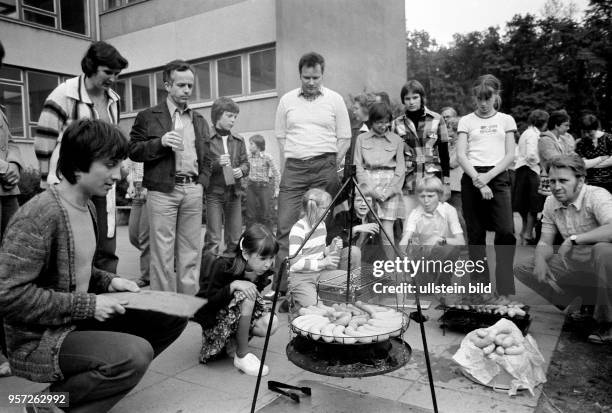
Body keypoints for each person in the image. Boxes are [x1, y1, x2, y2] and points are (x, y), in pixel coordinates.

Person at [0, 119, 187, 412]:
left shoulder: (87, 204)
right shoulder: (37, 217)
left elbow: (76, 267)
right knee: (133, 356)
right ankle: (47, 403)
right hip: (39, 339)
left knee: (171, 312)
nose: (118, 173)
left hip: (74, 318)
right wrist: (89, 305)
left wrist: (108, 281)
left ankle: (91, 383)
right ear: (78, 166)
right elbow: (9, 296)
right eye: (110, 164)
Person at [35, 41, 128, 274]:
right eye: (108, 72)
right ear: (91, 66)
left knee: (105, 243)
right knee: (74, 246)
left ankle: (107, 293)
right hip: (70, 183)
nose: (113, 79)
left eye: (116, 74)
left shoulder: (113, 100)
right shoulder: (63, 94)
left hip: (101, 183)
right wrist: (44, 180)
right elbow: (44, 141)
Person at [129, 59, 211, 295]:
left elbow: (208, 156)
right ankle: (166, 309)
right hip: (162, 191)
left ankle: (187, 305)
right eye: (181, 85)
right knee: (162, 254)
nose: (187, 90)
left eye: (190, 86)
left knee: (190, 252)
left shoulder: (199, 119)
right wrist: (160, 142)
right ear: (167, 85)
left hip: (192, 190)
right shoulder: (148, 116)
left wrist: (202, 183)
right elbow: (133, 150)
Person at [274, 52, 351, 295]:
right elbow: (280, 135)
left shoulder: (335, 99)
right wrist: (292, 157)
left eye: (315, 77)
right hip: (295, 168)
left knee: (319, 228)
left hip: (323, 168)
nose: (310, 82)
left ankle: (318, 285)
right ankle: (282, 288)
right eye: (306, 77)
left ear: (322, 74)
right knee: (285, 226)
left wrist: (331, 164)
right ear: (300, 75)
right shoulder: (287, 100)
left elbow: (345, 137)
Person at [514, 154, 612, 344]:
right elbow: (545, 242)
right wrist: (541, 261)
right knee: (524, 268)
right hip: (578, 261)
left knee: (602, 251)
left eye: (563, 180)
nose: (557, 186)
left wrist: (575, 239)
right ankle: (585, 305)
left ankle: (607, 323)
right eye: (552, 181)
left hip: (604, 262)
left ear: (580, 180)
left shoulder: (597, 195)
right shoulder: (551, 201)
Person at [456, 74, 517, 299]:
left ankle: (505, 289)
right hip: (472, 177)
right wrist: (478, 180)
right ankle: (479, 288)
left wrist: (487, 178)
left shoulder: (506, 120)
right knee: (476, 234)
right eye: (479, 99)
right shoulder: (466, 121)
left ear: (496, 96)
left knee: (506, 231)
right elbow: (461, 155)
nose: (483, 104)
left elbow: (510, 155)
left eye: (488, 98)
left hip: (498, 177)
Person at [194, 224, 279, 374]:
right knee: (246, 293)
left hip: (232, 319)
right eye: (263, 258)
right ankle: (242, 354)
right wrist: (233, 285)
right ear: (246, 253)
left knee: (271, 322)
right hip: (213, 324)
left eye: (271, 257)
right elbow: (206, 306)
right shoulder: (222, 265)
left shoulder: (261, 271)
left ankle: (235, 342)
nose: (268, 264)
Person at [393, 80, 450, 221]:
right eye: (407, 98)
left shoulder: (437, 119)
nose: (411, 102)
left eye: (415, 97)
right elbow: (395, 157)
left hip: (432, 181)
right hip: (408, 183)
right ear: (403, 101)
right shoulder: (397, 123)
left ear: (422, 98)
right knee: (409, 224)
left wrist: (446, 183)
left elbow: (444, 154)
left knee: (433, 225)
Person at [0, 40, 23, 377]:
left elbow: (13, 142)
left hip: (7, 196)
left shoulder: (0, 109)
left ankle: (12, 347)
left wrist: (15, 162)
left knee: (14, 270)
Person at [354, 102, 405, 253]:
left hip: (390, 185)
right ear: (371, 121)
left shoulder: (397, 140)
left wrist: (390, 191)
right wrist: (369, 190)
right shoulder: (361, 138)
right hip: (368, 184)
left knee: (386, 229)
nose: (383, 126)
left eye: (386, 122)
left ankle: (392, 269)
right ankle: (356, 265)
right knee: (365, 226)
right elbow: (358, 165)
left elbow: (401, 168)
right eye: (379, 122)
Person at [203, 97, 249, 255]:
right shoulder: (205, 139)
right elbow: (199, 166)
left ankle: (231, 272)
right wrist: (216, 163)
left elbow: (246, 164)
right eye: (229, 116)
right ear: (217, 115)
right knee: (213, 239)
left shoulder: (238, 139)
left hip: (234, 192)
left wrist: (241, 171)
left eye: (235, 116)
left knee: (236, 239)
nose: (233, 120)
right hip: (213, 193)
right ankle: (208, 276)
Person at [287, 188, 344, 309]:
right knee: (316, 309)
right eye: (325, 208)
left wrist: (331, 247)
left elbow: (320, 251)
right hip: (301, 278)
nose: (329, 211)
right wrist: (323, 262)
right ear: (313, 208)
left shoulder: (321, 225)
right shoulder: (298, 229)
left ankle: (317, 295)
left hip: (320, 274)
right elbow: (294, 263)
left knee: (350, 279)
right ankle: (297, 298)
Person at [513, 109, 549, 245]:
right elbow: (531, 155)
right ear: (543, 123)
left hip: (522, 170)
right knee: (534, 204)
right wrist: (541, 166)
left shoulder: (526, 133)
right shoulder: (533, 135)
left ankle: (524, 231)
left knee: (524, 204)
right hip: (530, 171)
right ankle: (527, 234)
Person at [246, 134, 279, 232]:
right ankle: (250, 239)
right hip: (251, 187)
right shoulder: (248, 157)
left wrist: (277, 189)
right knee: (250, 215)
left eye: (251, 144)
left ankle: (269, 239)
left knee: (266, 215)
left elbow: (277, 173)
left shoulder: (267, 157)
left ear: (258, 145)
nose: (249, 146)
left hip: (264, 187)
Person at [125, 158, 150, 287]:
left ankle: (147, 276)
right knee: (133, 235)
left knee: (145, 237)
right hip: (137, 189)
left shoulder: (151, 142)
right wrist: (130, 186)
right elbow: (130, 169)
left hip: (150, 188)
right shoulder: (135, 144)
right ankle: (161, 257)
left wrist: (149, 187)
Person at [576, 114, 612, 194]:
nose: (586, 135)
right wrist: (601, 158)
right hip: (591, 184)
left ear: (596, 128)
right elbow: (583, 164)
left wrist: (592, 164)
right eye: (584, 132)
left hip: (610, 182)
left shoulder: (609, 138)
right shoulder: (581, 143)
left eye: (589, 132)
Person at [446, 116, 467, 234]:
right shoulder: (451, 144)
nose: (446, 133)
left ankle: (466, 246)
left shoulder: (462, 144)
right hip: (449, 184)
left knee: (457, 215)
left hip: (456, 185)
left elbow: (453, 163)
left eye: (448, 129)